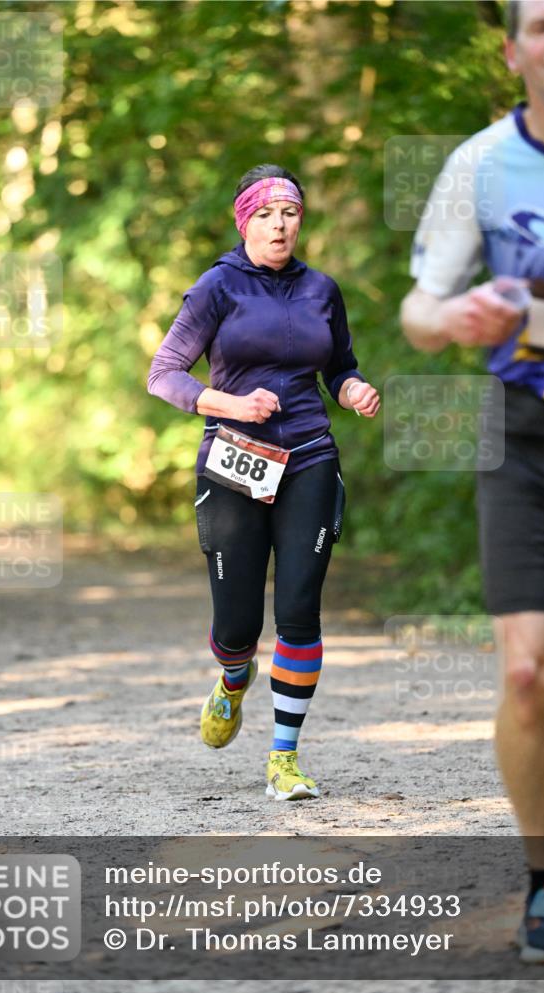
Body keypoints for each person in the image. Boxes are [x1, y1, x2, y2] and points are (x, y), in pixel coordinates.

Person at [400, 0, 544, 964]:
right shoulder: (481, 164)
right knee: (523, 671)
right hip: (524, 435)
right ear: (511, 51)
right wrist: (455, 314)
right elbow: (418, 311)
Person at [148, 164, 379, 800]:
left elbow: (340, 368)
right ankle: (232, 676)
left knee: (300, 608)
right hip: (235, 461)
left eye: (291, 213)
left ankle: (284, 757)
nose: (280, 225)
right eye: (267, 214)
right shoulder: (217, 287)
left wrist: (353, 390)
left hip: (309, 456)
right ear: (244, 221)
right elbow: (163, 374)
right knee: (237, 627)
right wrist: (232, 405)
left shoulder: (322, 290)